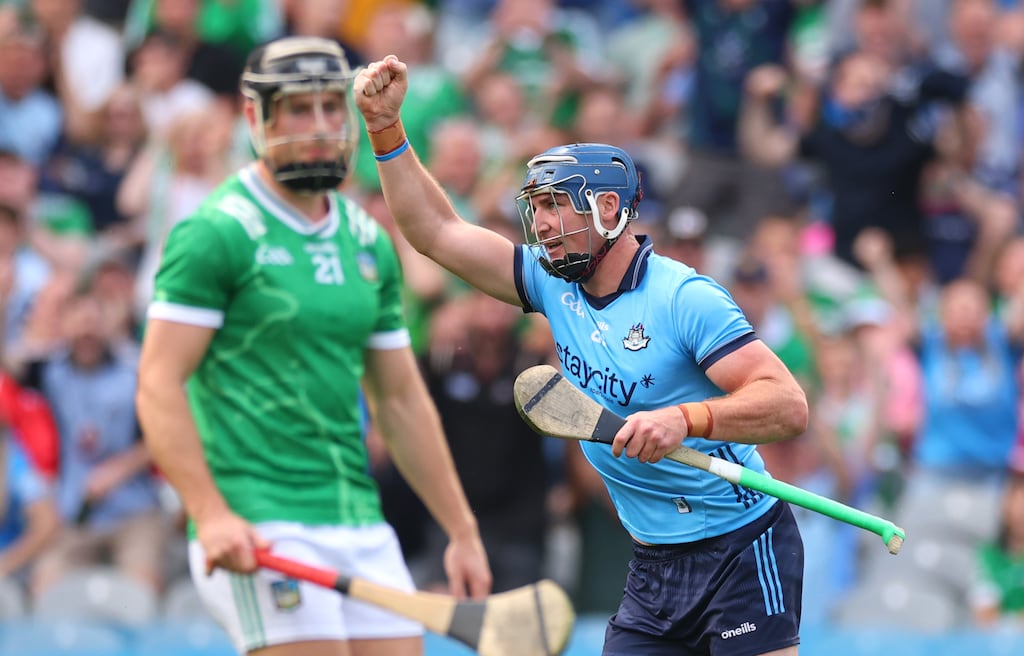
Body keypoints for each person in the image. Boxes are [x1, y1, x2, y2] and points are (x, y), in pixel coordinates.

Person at [356, 55, 810, 656]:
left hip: (742, 545)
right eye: (536, 207)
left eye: (556, 205)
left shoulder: (683, 298)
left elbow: (788, 405)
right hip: (653, 560)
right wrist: (386, 129)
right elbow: (435, 232)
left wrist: (686, 418)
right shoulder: (550, 282)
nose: (541, 224)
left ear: (609, 209)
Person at [135, 37, 491, 656]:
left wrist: (460, 528)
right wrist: (209, 512)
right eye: (299, 110)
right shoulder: (214, 234)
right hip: (258, 515)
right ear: (255, 119)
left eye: (333, 107)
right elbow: (158, 384)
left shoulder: (366, 239)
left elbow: (401, 399)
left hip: (356, 517)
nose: (323, 126)